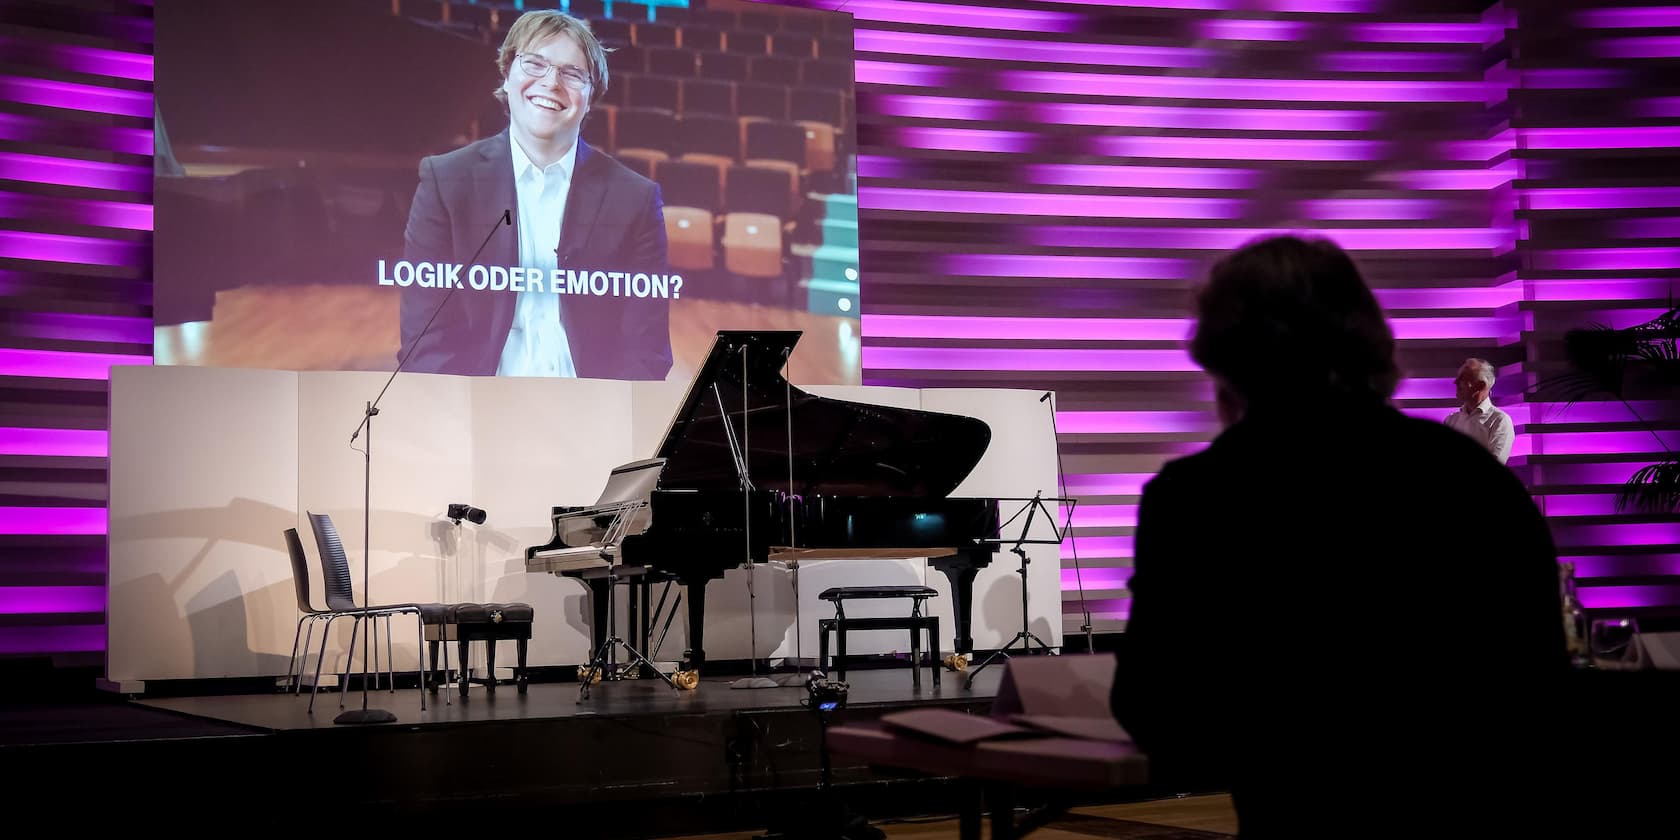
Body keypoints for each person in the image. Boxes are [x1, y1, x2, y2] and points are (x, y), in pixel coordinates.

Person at [1109, 236, 1566, 837]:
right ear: (1370, 340)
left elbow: (1159, 713)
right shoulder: (1475, 480)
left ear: (1223, 358)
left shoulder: (1193, 495)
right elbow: (1539, 693)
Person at [399, 10, 672, 379]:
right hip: (475, 406)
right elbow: (425, 340)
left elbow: (645, 351)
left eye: (572, 74)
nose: (552, 83)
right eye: (535, 64)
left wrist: (607, 421)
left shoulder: (635, 200)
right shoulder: (446, 181)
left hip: (591, 409)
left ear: (591, 98)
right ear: (507, 76)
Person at [1444, 357, 1513, 464]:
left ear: (1481, 385)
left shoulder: (1499, 421)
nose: (1455, 382)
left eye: (1463, 378)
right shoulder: (1451, 420)